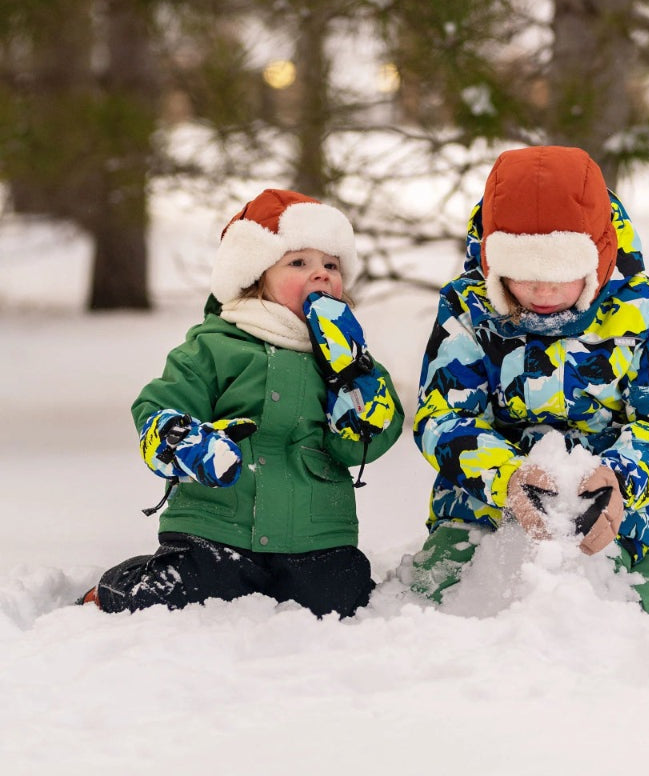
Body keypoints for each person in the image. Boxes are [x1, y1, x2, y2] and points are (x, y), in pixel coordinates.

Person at [410, 145, 649, 614]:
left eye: (561, 274)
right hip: (482, 509)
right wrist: (505, 477)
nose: (544, 290)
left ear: (598, 258)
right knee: (438, 601)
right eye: (524, 275)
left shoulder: (645, 311)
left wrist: (621, 478)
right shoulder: (468, 308)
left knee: (626, 610)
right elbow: (441, 415)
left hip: (602, 513)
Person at [78, 189, 404, 618]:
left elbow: (355, 447)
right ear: (254, 277)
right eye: (298, 263)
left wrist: (356, 384)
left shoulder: (351, 360)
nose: (321, 275)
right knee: (187, 590)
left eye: (331, 265)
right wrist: (183, 439)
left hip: (315, 532)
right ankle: (116, 589)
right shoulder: (216, 345)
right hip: (218, 526)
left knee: (343, 599)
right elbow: (161, 403)